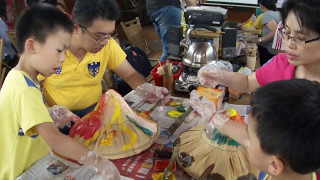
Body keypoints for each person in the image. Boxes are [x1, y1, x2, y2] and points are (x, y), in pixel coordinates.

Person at [0, 5, 120, 179]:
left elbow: (20, 119)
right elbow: (55, 139)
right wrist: (97, 161)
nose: (63, 58)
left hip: (33, 163)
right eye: (58, 51)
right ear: (32, 46)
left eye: (65, 51)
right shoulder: (23, 87)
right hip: (19, 173)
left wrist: (48, 113)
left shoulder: (23, 78)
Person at [39, 0, 168, 120]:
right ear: (76, 29)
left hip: (94, 112)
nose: (105, 42)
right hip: (59, 118)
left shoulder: (107, 45)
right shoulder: (50, 49)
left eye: (109, 34)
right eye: (99, 36)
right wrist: (46, 111)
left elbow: (130, 74)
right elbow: (30, 86)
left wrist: (146, 89)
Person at [199, 0, 320, 95]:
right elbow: (247, 82)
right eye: (287, 33)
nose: (290, 44)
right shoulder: (281, 64)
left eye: (301, 38)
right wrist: (221, 76)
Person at [207, 79, 320, 179]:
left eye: (250, 136)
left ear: (275, 166)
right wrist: (214, 117)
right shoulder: (300, 169)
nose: (247, 139)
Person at [248, 0, 281, 65]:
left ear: (261, 5)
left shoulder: (266, 15)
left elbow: (275, 32)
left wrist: (259, 40)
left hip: (270, 51)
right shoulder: (278, 13)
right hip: (278, 50)